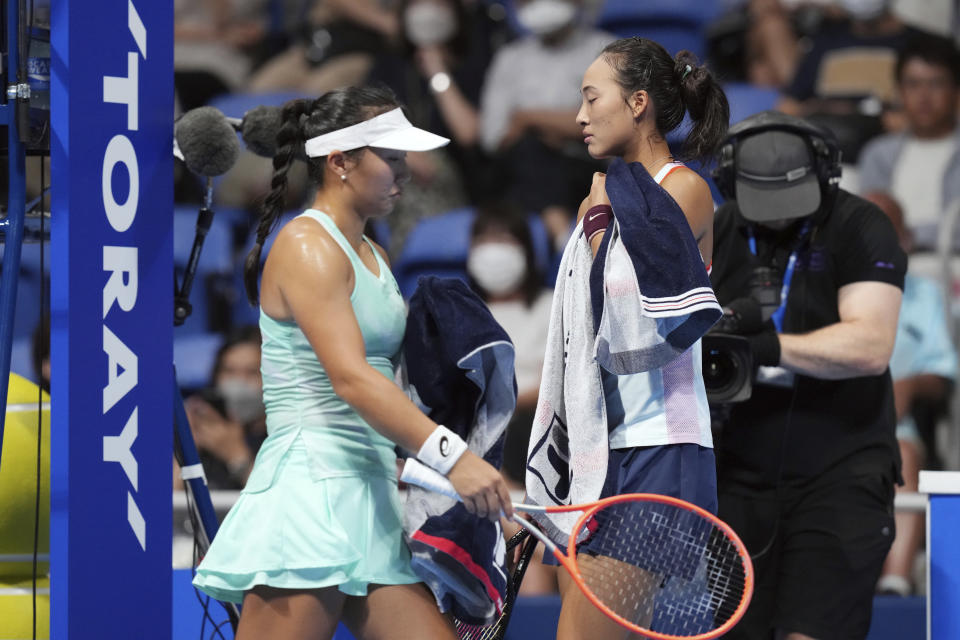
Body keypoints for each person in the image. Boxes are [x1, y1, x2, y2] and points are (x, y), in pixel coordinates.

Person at [192, 85, 513, 640]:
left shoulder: (376, 256)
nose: (404, 173)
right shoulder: (307, 246)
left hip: (371, 492)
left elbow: (385, 384)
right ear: (340, 162)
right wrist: (452, 458)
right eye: (390, 159)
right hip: (310, 489)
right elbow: (352, 379)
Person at [527, 37, 730, 639]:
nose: (581, 116)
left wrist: (594, 225)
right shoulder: (608, 193)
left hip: (660, 448)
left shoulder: (683, 188)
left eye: (593, 98)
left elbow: (638, 300)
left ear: (639, 102)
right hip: (596, 454)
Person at [708, 111, 906, 640]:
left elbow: (871, 345)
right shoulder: (722, 228)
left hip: (841, 468)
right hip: (739, 471)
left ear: (825, 175)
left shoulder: (862, 224)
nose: (776, 219)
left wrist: (767, 347)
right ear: (730, 183)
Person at [863, 191, 957, 597]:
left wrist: (911, 384)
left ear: (905, 238)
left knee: (902, 452)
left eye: (886, 228)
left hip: (895, 425)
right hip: (830, 424)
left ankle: (895, 582)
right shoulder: (826, 287)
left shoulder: (923, 296)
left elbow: (941, 373)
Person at [478, 0, 614, 248]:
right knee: (531, 151)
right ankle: (564, 238)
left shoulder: (604, 51)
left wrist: (528, 118)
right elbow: (493, 138)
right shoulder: (509, 58)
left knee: (533, 162)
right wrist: (556, 127)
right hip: (519, 163)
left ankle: (558, 243)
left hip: (583, 163)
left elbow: (607, 124)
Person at [858, 36, 960, 251]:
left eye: (936, 83)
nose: (923, 96)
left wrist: (911, 236)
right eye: (913, 84)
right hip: (889, 266)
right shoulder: (877, 153)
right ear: (899, 91)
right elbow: (867, 224)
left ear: (956, 92)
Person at [181, 325, 267, 490]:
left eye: (252, 372)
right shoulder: (198, 430)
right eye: (229, 371)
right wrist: (186, 447)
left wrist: (236, 456)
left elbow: (279, 508)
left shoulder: (282, 438)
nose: (238, 382)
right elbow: (165, 504)